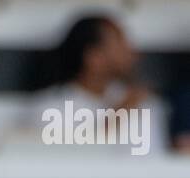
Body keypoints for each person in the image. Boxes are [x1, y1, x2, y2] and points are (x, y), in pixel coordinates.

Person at [34, 14, 168, 153]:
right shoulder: (51, 109)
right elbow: (71, 160)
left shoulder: (145, 103)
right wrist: (121, 112)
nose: (131, 52)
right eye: (119, 43)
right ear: (93, 56)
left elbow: (155, 163)